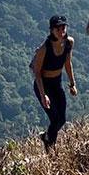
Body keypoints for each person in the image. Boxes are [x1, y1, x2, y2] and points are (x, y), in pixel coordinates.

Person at [30, 15, 77, 151]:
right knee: (55, 119)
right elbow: (37, 73)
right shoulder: (44, 49)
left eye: (64, 27)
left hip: (57, 83)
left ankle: (47, 137)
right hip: (44, 85)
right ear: (52, 30)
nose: (62, 30)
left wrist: (72, 84)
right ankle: (50, 148)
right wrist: (43, 95)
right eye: (58, 28)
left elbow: (68, 63)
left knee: (61, 119)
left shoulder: (69, 43)